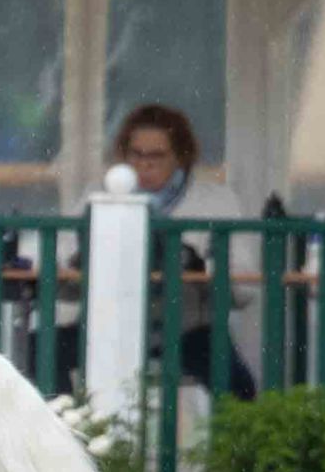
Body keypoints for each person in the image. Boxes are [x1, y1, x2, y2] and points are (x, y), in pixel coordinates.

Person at [54, 103, 259, 402]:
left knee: (237, 387)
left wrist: (200, 268)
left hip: (186, 330)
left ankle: (227, 450)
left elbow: (244, 290)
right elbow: (60, 276)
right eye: (136, 154)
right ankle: (67, 437)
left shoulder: (215, 201)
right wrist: (82, 264)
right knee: (43, 351)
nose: (144, 165)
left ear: (181, 157)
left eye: (156, 156)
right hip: (107, 328)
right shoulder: (98, 196)